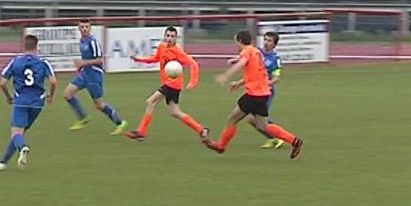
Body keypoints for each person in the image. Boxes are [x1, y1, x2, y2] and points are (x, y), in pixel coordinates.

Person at [203, 30, 303, 159]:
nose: (236, 46)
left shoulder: (247, 51)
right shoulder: (256, 52)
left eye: (236, 43)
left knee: (232, 119)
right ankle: (295, 141)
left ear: (240, 41)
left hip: (253, 95)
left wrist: (225, 76)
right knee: (264, 126)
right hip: (263, 94)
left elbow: (242, 63)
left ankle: (221, 146)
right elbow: (254, 73)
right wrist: (239, 83)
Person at [125, 26, 210, 141]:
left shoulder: (177, 51)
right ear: (165, 36)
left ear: (176, 38)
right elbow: (155, 59)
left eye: (172, 36)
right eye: (168, 36)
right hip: (171, 84)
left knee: (151, 101)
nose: (170, 38)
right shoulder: (162, 47)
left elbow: (193, 64)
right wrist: (139, 59)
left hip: (173, 84)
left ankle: (141, 132)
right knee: (175, 112)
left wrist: (192, 83)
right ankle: (201, 130)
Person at [0, 34, 57, 171]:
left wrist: (9, 97)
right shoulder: (43, 62)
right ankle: (2, 162)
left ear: (24, 46)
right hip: (38, 102)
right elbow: (53, 82)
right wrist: (51, 96)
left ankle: (22, 148)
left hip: (21, 100)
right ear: (36, 47)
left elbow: (2, 83)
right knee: (20, 132)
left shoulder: (16, 61)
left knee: (16, 133)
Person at [63, 19, 128, 135]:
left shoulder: (93, 42)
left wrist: (83, 63)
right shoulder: (82, 41)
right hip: (84, 74)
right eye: (82, 27)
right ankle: (83, 117)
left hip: (94, 75)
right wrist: (81, 67)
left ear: (90, 28)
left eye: (86, 27)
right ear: (79, 29)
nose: (84, 29)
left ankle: (120, 122)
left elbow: (99, 59)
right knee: (67, 94)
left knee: (99, 105)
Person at [228, 31, 284, 149]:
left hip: (266, 91)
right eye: (265, 40)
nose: (266, 43)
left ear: (274, 45)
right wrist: (237, 60)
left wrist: (266, 83)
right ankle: (274, 138)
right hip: (256, 90)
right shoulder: (258, 52)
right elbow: (250, 69)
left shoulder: (275, 59)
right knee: (254, 120)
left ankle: (277, 138)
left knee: (256, 119)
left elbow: (277, 78)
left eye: (270, 41)